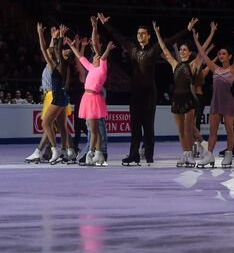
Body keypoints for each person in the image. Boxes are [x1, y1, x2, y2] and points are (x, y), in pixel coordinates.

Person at [97, 13, 197, 165]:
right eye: (138, 34)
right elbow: (117, 36)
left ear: (149, 36)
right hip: (136, 92)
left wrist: (187, 30)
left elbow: (170, 40)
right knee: (135, 126)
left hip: (150, 92)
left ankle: (149, 155)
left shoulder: (154, 49)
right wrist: (105, 24)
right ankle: (133, 154)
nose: (140, 36)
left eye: (143, 33)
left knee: (148, 125)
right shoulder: (132, 49)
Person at [153, 21, 215, 167]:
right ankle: (186, 154)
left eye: (184, 49)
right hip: (176, 99)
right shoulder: (175, 64)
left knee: (189, 129)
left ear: (189, 52)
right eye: (180, 49)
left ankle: (194, 152)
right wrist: (157, 33)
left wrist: (211, 33)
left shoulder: (193, 64)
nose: (181, 51)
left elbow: (202, 50)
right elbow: (164, 49)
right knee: (180, 130)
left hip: (188, 99)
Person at [193, 30, 234, 168]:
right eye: (219, 54)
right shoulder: (215, 69)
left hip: (227, 102)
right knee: (212, 131)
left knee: (229, 130)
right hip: (216, 102)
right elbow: (202, 54)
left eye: (224, 53)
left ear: (229, 56)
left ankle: (229, 153)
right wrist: (196, 40)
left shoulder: (233, 69)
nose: (221, 55)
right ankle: (209, 155)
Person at [25, 26, 74, 163]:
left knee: (46, 123)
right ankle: (64, 150)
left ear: (51, 56)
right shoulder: (62, 65)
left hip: (56, 97)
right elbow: (53, 49)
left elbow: (44, 48)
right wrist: (56, 38)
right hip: (62, 96)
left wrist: (40, 34)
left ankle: (55, 149)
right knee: (62, 126)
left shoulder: (53, 66)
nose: (47, 53)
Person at [66, 31, 115, 166]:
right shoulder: (91, 67)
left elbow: (102, 55)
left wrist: (107, 50)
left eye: (98, 57)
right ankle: (97, 153)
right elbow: (80, 57)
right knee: (94, 129)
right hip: (87, 98)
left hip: (94, 98)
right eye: (94, 57)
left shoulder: (102, 69)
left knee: (94, 129)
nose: (96, 58)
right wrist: (72, 46)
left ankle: (92, 153)